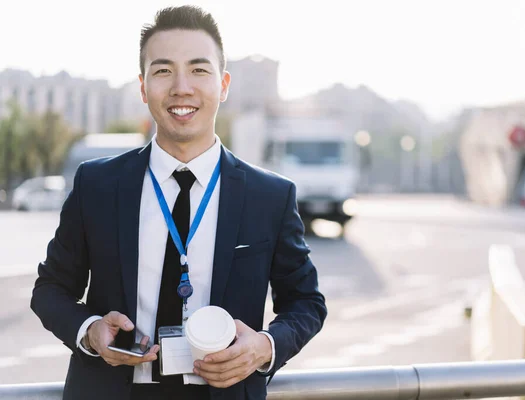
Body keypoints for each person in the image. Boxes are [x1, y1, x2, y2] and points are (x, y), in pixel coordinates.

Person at [30, 5, 327, 400]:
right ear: (143, 86)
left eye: (199, 70)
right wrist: (91, 331)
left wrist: (263, 347)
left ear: (223, 84)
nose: (181, 87)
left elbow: (306, 301)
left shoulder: (269, 196)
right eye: (163, 70)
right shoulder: (97, 184)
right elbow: (50, 289)